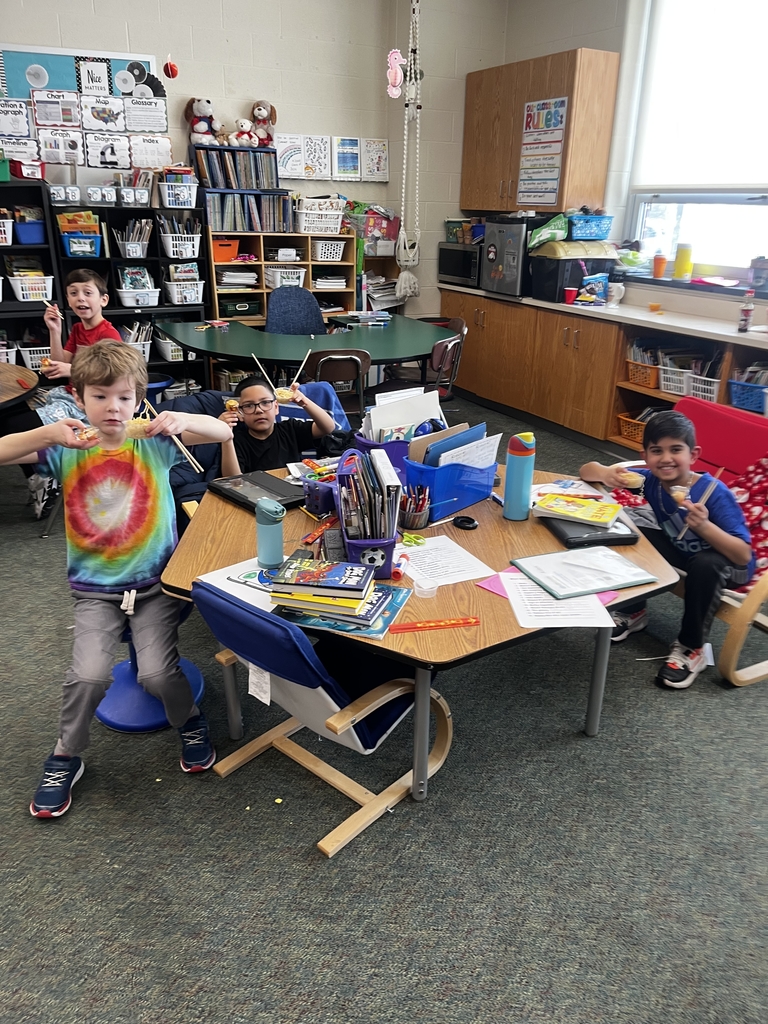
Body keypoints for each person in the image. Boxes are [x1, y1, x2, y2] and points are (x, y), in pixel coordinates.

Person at [0, 341, 233, 818]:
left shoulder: (153, 441)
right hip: (94, 592)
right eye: (100, 396)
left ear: (138, 398)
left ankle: (188, 720)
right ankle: (66, 753)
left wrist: (183, 420)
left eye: (124, 397)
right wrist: (47, 433)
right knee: (86, 676)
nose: (113, 408)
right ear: (79, 397)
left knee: (155, 673)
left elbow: (220, 430)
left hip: (154, 587)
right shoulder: (68, 449)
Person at [580, 410, 754, 690]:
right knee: (628, 532)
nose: (666, 458)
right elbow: (587, 471)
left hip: (727, 566)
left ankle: (691, 648)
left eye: (676, 450)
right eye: (656, 451)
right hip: (682, 548)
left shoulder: (713, 492)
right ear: (645, 456)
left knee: (705, 564)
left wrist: (706, 526)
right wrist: (606, 472)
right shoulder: (650, 480)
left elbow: (743, 555)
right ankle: (633, 611)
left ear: (693, 455)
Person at [4, 269, 123, 518]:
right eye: (73, 293)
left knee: (17, 425)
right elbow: (59, 365)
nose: (80, 298)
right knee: (10, 415)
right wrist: (55, 331)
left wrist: (71, 369)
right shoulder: (79, 329)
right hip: (67, 395)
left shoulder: (108, 334)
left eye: (87, 293)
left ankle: (47, 474)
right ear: (67, 300)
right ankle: (41, 475)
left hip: (86, 407)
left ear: (103, 299)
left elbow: (111, 377)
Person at [219, 374, 334, 476]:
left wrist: (304, 402)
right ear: (240, 412)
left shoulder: (290, 429)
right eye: (249, 405)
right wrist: (225, 436)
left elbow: (327, 427)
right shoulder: (237, 440)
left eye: (265, 403)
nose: (259, 410)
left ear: (276, 407)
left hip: (292, 491)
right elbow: (232, 479)